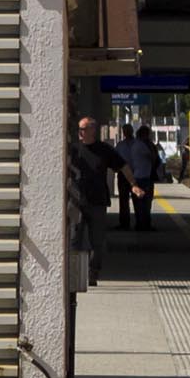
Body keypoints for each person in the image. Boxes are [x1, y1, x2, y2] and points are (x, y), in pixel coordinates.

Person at [70, 117, 127, 283]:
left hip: (97, 202)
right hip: (77, 202)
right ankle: (74, 275)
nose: (80, 132)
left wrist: (134, 185)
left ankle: (93, 272)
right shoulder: (73, 149)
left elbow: (123, 166)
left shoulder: (104, 150)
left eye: (83, 128)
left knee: (97, 241)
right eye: (79, 129)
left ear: (92, 130)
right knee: (74, 240)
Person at [115, 122, 162, 231]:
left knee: (139, 201)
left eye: (128, 131)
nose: (127, 133)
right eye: (125, 131)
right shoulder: (125, 145)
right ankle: (128, 223)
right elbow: (153, 157)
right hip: (129, 175)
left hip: (135, 174)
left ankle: (139, 222)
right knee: (127, 200)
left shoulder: (136, 143)